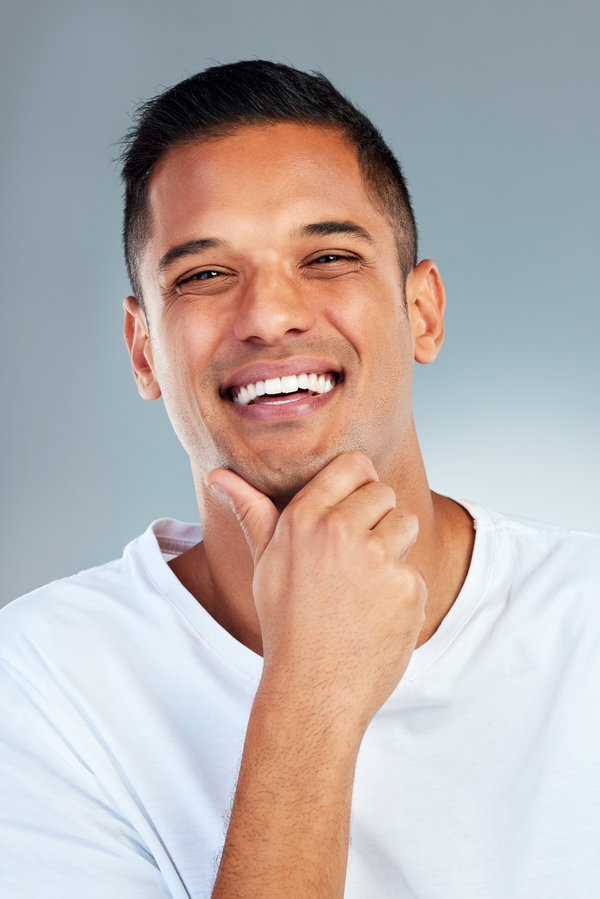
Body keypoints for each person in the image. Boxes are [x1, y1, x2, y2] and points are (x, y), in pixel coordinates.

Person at [1, 60, 599, 899]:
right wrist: (311, 690)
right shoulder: (39, 686)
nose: (269, 315)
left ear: (421, 311)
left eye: (327, 256)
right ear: (144, 351)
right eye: (205, 274)